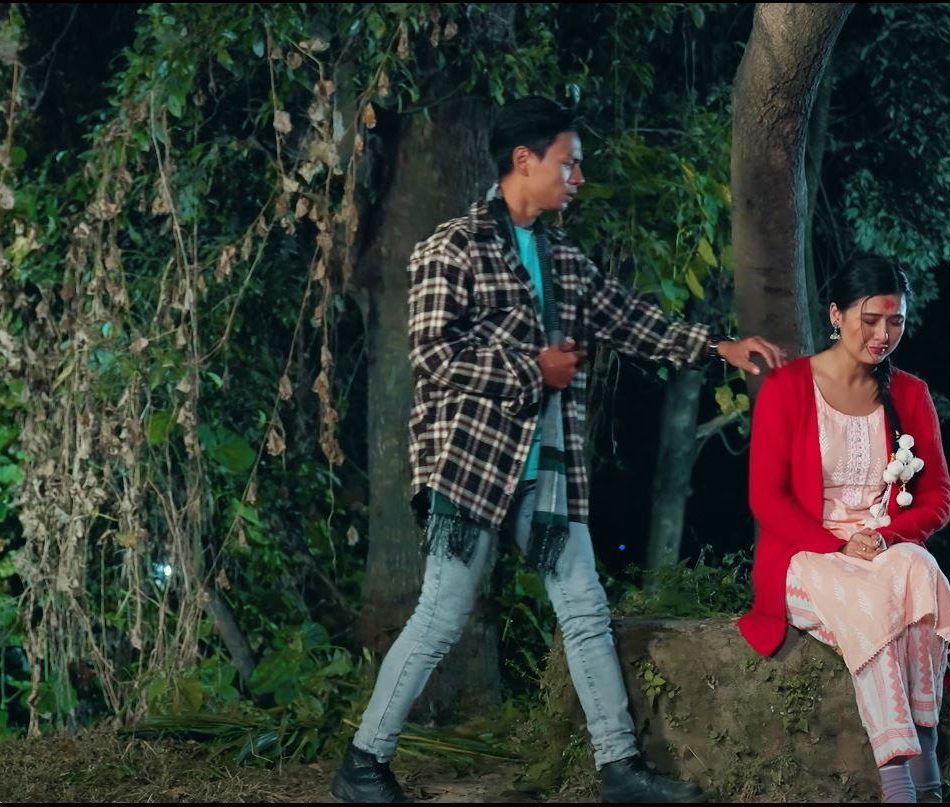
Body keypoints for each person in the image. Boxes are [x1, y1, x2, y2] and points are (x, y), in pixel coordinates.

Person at [330, 96, 787, 804]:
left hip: (546, 469)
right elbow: (433, 356)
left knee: (583, 606)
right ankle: (363, 763)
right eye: (568, 164)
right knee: (442, 614)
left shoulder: (563, 260)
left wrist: (717, 346)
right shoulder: (452, 246)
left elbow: (628, 318)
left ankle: (619, 768)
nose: (578, 178)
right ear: (524, 161)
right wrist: (530, 369)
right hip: (472, 464)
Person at [737, 254, 950, 803]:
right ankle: (899, 780)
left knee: (919, 569)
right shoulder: (788, 387)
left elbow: (938, 497)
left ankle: (926, 755)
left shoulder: (910, 393)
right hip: (807, 556)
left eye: (896, 322)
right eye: (871, 320)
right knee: (875, 604)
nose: (884, 335)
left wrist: (886, 538)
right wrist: (837, 543)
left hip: (883, 549)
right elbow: (766, 497)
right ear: (836, 315)